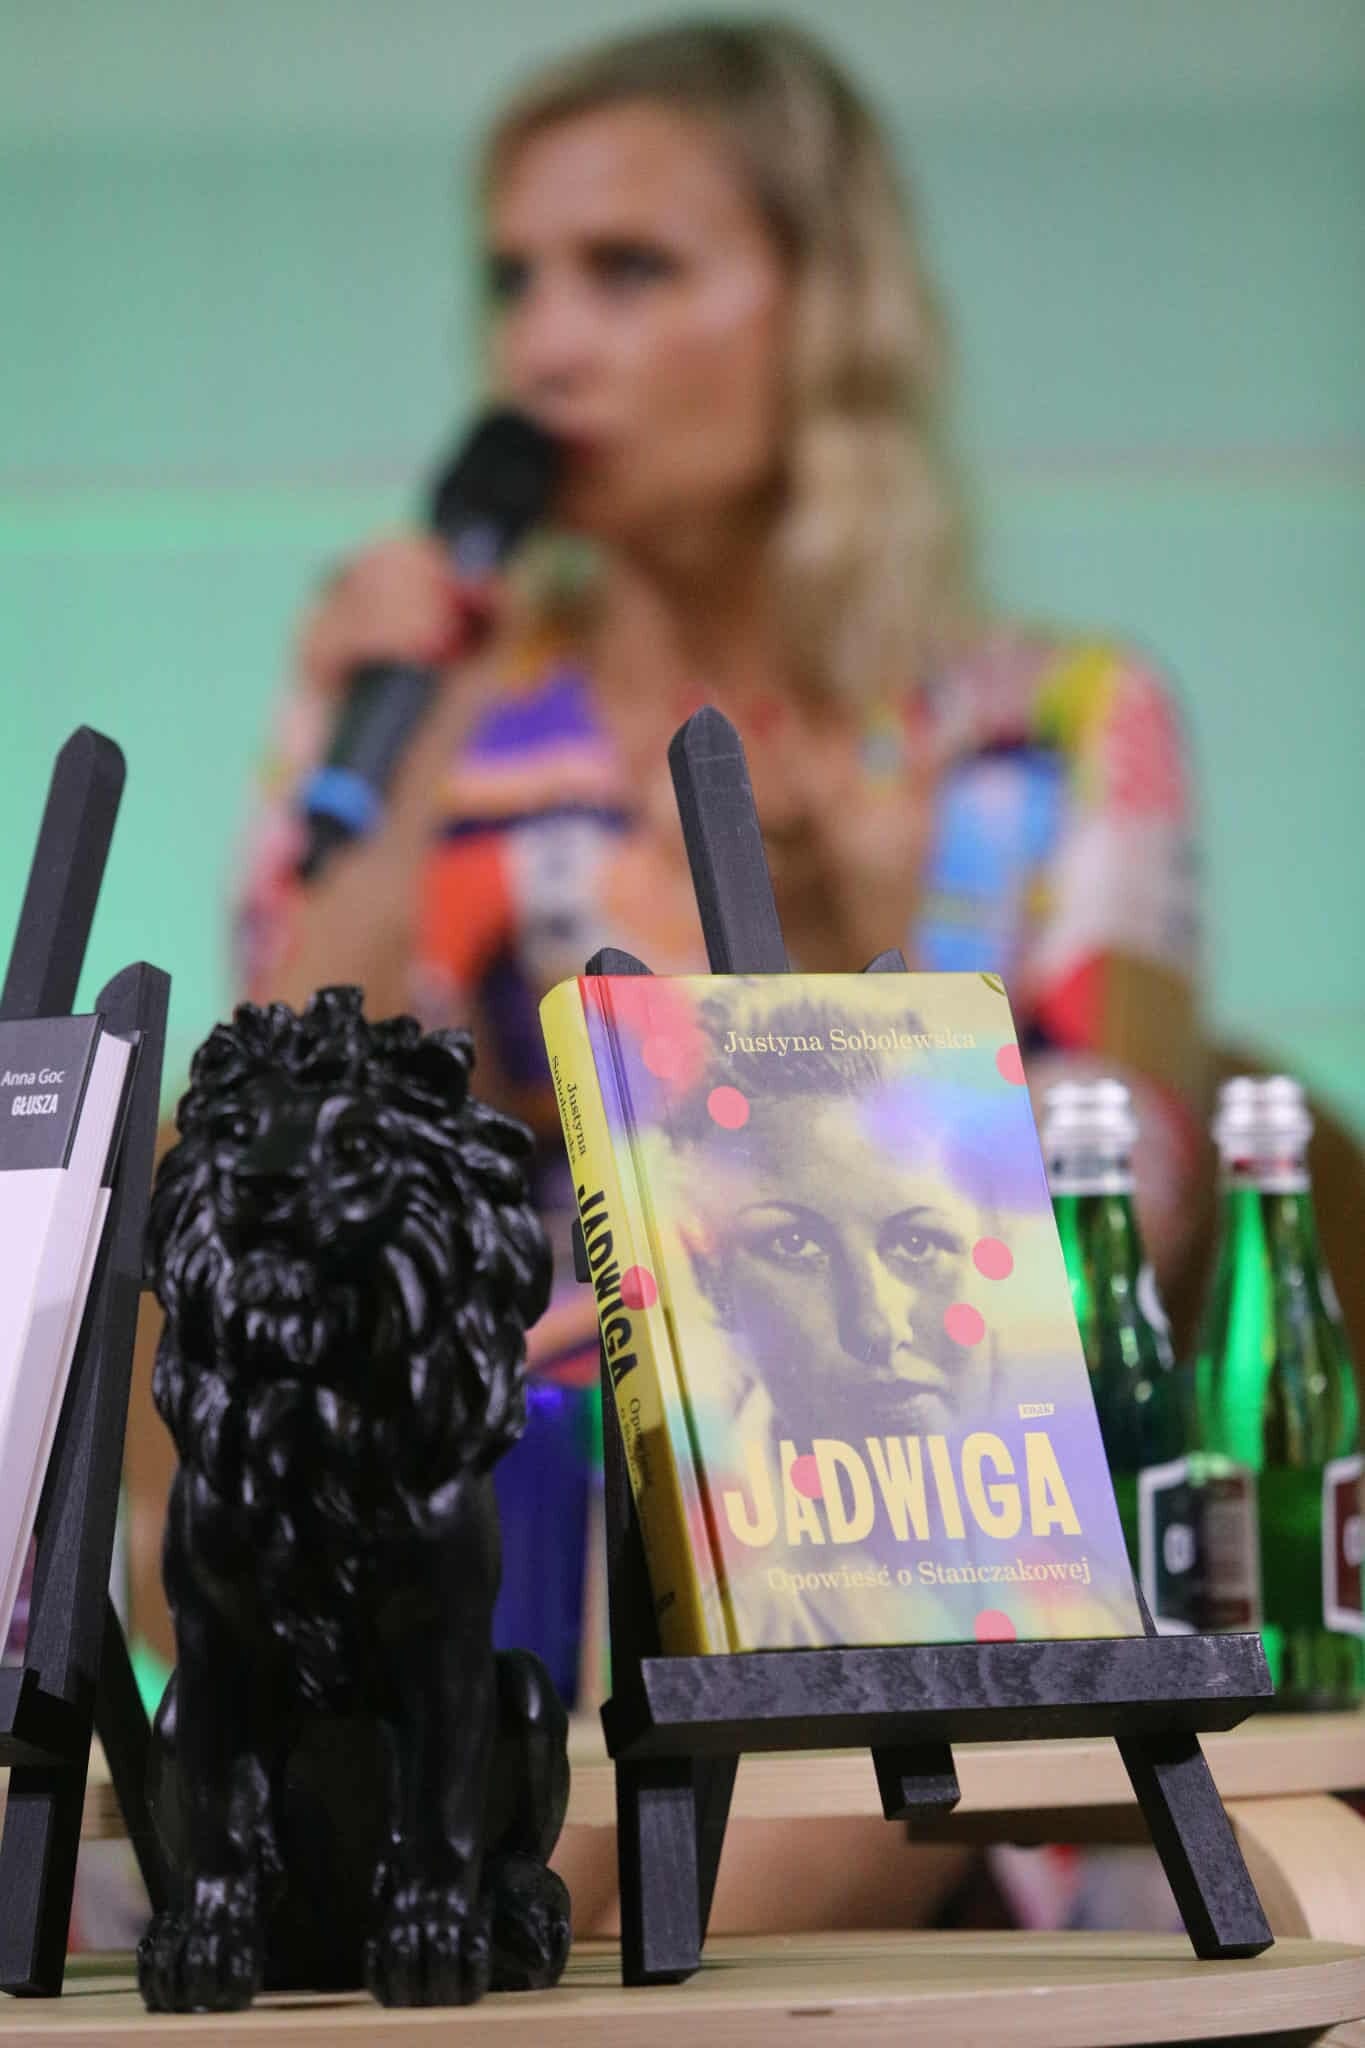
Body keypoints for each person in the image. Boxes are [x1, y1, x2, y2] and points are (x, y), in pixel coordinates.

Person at [234, 19, 1207, 1716]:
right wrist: (389, 760)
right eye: (514, 281)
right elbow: (279, 1190)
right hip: (489, 1515)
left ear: (822, 307)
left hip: (913, 1545)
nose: (541, 348)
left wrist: (863, 964)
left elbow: (1125, 1234)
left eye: (627, 271)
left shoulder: (1045, 730)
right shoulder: (424, 714)